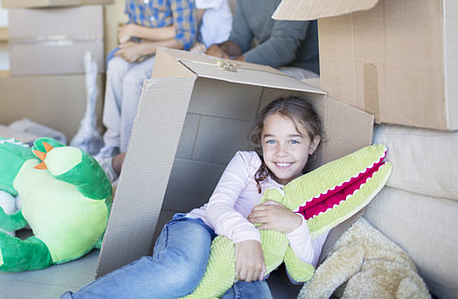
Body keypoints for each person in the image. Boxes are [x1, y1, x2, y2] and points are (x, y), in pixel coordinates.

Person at [61, 96, 327, 298]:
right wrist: (247, 236)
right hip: (198, 229)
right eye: (272, 141)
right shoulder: (247, 163)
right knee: (183, 271)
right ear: (261, 141)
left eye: (294, 141)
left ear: (313, 144)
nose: (281, 152)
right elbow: (218, 206)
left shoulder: (314, 194)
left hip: (243, 264)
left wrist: (295, 224)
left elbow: (299, 275)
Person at [97, 0, 197, 174]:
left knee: (134, 79)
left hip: (174, 55)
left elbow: (185, 38)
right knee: (116, 65)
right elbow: (133, 34)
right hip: (150, 53)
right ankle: (110, 145)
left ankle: (127, 153)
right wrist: (131, 45)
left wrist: (141, 47)